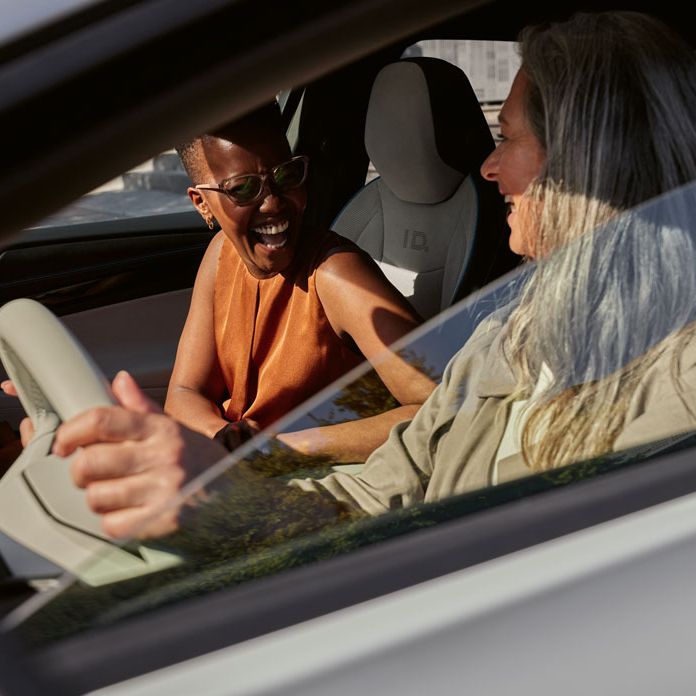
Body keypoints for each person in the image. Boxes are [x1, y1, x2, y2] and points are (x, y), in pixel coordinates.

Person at [43, 10, 696, 539]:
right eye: (242, 187)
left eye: (507, 138)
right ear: (203, 205)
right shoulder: (512, 332)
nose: (488, 167)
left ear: (582, 163)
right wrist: (219, 500)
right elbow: (388, 483)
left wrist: (265, 460)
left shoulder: (677, 387)